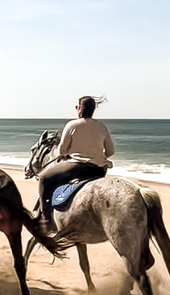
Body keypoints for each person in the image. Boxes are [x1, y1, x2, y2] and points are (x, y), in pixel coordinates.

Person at [38, 95, 114, 230]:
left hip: (78, 167)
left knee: (44, 178)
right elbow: (110, 151)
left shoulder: (72, 124)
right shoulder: (102, 126)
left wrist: (70, 153)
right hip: (99, 169)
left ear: (79, 108)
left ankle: (46, 218)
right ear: (93, 110)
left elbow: (61, 150)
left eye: (78, 107)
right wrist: (98, 155)